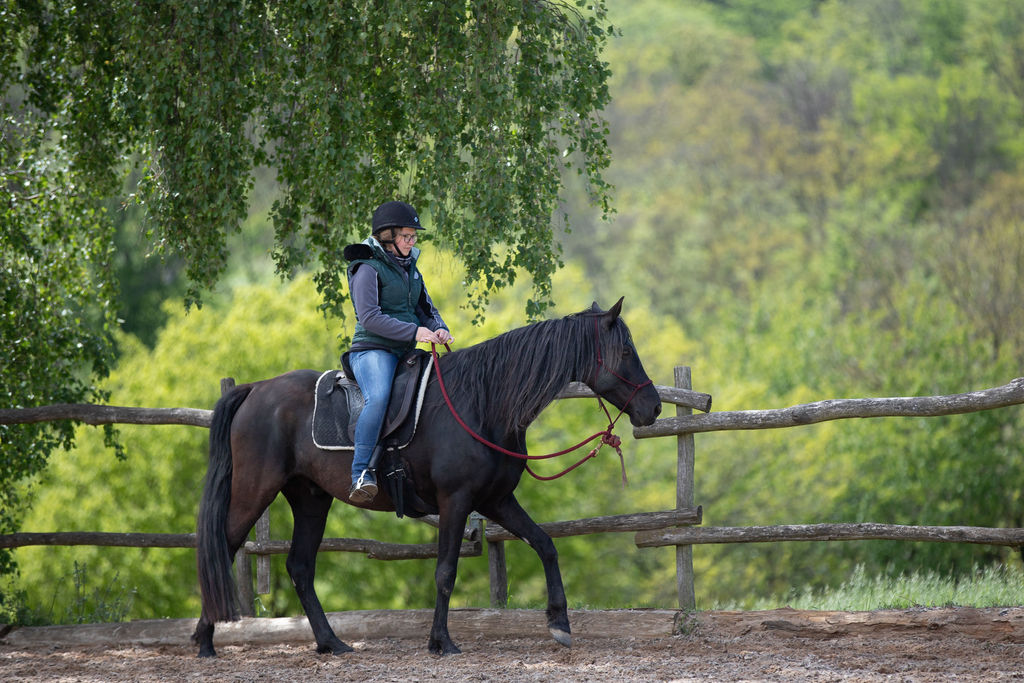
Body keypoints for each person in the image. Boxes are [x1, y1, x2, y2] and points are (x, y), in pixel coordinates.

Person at [343, 200, 453, 503]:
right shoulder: (367, 268)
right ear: (387, 236)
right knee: (377, 398)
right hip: (373, 350)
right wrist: (415, 331)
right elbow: (370, 317)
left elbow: (425, 309)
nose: (412, 241)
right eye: (407, 236)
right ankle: (361, 472)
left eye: (414, 237)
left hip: (405, 350)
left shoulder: (411, 269)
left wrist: (439, 327)